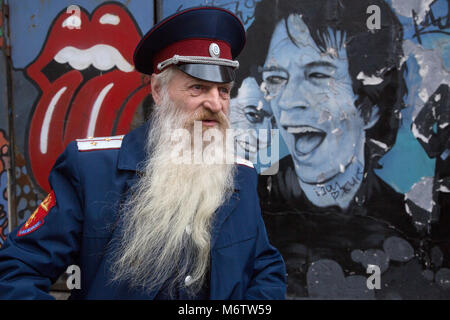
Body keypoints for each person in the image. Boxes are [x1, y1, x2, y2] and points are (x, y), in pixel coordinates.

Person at [0, 7, 286, 300]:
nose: (215, 103)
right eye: (198, 87)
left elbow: (265, 269)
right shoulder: (91, 169)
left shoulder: (241, 175)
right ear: (158, 91)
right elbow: (17, 269)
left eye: (223, 90)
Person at [234, 0, 450, 299]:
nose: (287, 102)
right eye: (276, 78)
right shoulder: (242, 211)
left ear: (368, 107)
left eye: (318, 75)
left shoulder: (411, 228)